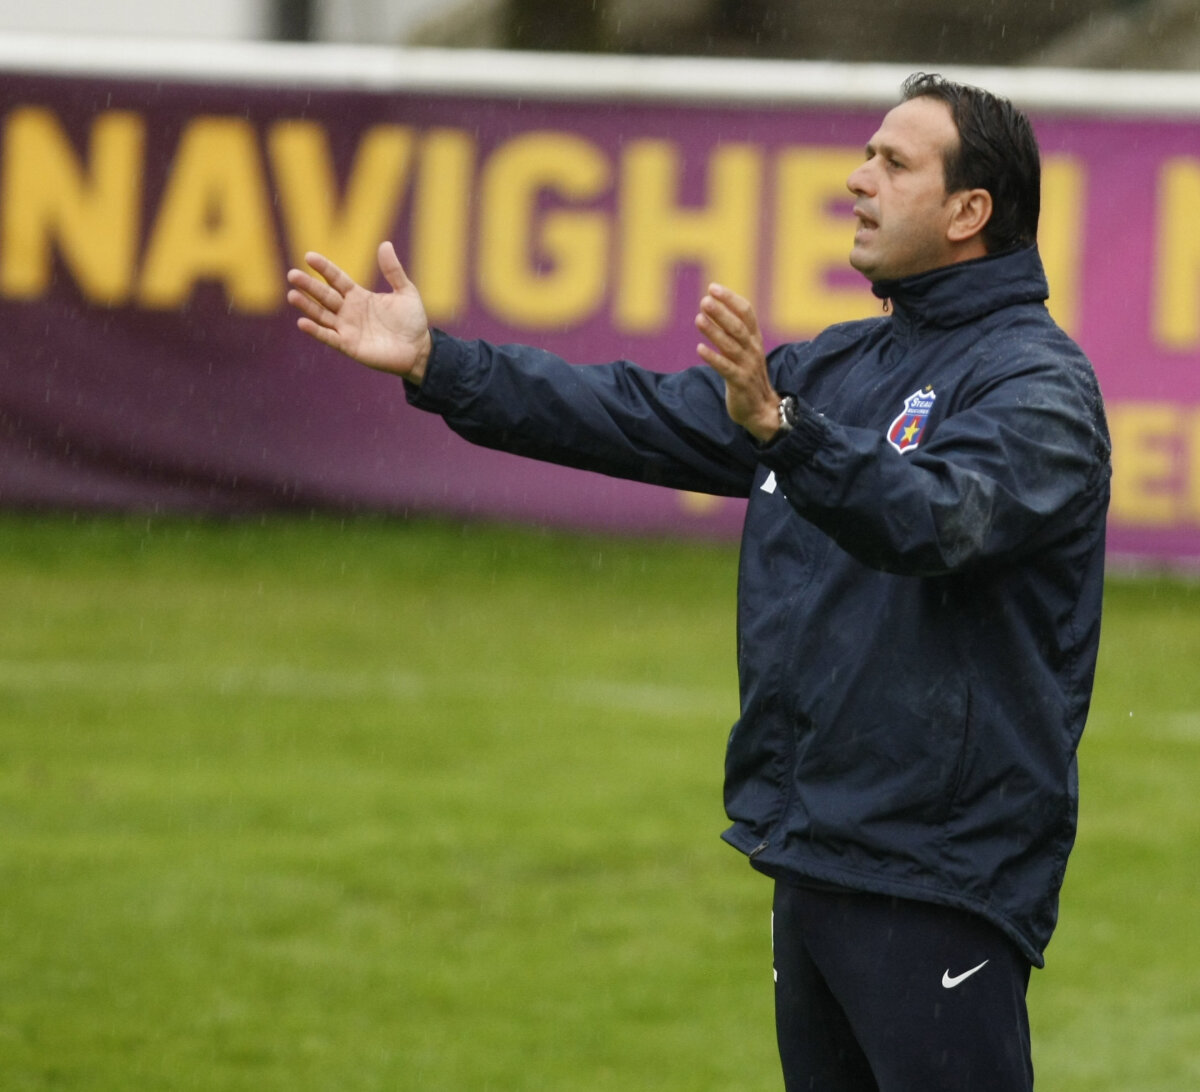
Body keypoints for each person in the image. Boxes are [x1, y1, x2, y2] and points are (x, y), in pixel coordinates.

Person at [286, 72, 1111, 1091]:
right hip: (818, 854)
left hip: (940, 874)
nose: (857, 180)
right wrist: (437, 364)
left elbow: (939, 517)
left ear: (968, 211)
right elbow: (634, 416)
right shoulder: (841, 367)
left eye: (893, 164)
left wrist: (786, 432)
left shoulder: (1039, 384)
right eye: (867, 156)